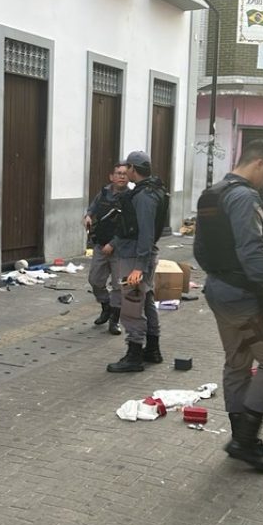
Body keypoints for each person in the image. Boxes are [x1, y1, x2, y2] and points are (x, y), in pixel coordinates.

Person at [193, 139, 263, 473]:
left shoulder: (213, 194)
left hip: (218, 290)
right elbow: (252, 253)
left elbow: (200, 249)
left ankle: (244, 440)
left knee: (237, 362)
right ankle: (243, 439)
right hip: (244, 297)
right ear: (261, 164)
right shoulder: (244, 197)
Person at [105, 151, 169, 373]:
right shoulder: (153, 190)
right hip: (141, 254)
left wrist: (138, 267)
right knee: (147, 299)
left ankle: (134, 355)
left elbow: (145, 232)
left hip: (135, 257)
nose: (126, 171)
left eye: (127, 168)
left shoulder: (144, 196)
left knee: (132, 303)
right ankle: (152, 349)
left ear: (133, 168)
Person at [83, 162, 129, 335]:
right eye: (118, 173)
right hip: (101, 246)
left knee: (119, 286)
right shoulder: (103, 193)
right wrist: (87, 216)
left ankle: (114, 321)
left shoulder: (131, 197)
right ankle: (106, 306)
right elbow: (92, 209)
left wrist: (114, 244)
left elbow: (129, 227)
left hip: (120, 250)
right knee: (95, 280)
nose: (122, 176)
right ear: (112, 176)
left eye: (125, 173)